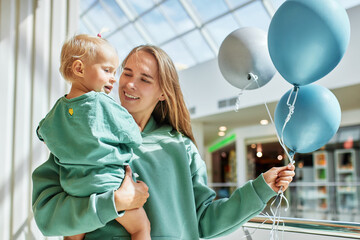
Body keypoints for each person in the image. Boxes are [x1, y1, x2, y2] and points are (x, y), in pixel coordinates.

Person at [32, 44, 295, 239]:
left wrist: (260, 189)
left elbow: (202, 221)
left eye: (145, 79)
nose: (129, 85)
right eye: (127, 73)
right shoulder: (82, 134)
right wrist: (114, 203)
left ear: (162, 93)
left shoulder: (180, 147)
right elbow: (47, 214)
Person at [35, 34, 150, 240]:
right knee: (141, 228)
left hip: (74, 189)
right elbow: (133, 136)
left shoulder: (57, 110)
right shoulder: (103, 102)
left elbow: (42, 133)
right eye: (107, 70)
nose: (113, 78)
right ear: (79, 69)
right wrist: (137, 131)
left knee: (71, 236)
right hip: (109, 184)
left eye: (115, 72)